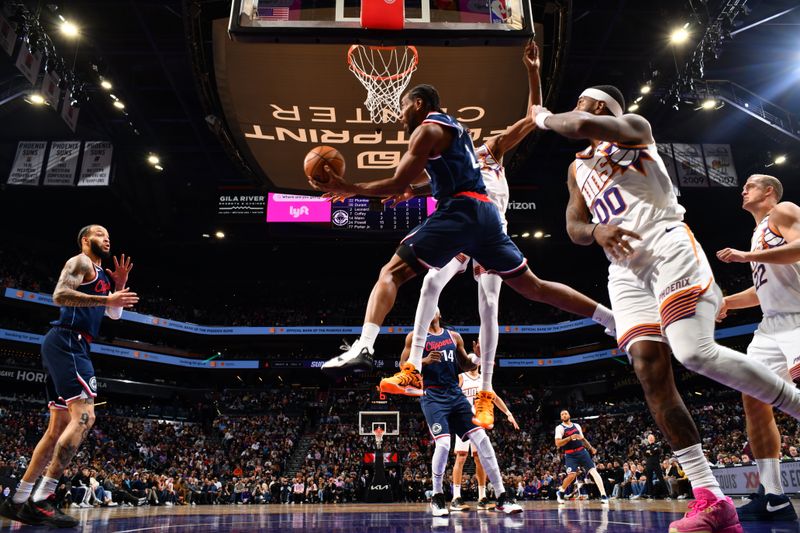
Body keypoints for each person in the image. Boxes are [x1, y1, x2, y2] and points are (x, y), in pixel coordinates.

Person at [532, 85, 800, 532]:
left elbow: (575, 124)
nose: (574, 111)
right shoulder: (576, 169)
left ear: (600, 108)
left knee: (692, 352)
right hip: (622, 270)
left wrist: (541, 116)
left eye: (581, 103)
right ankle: (711, 497)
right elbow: (574, 225)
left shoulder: (635, 130)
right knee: (649, 372)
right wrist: (596, 232)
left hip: (665, 244)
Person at [313, 82, 615, 430]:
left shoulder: (436, 132)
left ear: (419, 104)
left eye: (402, 106)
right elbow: (433, 177)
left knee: (394, 273)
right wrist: (415, 190)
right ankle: (610, 319)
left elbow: (398, 181)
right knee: (529, 287)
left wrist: (348, 189)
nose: (398, 114)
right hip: (484, 220)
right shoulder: (459, 136)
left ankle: (366, 346)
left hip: (462, 213)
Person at [378, 41, 592, 431]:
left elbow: (532, 116)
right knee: (429, 283)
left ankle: (486, 392)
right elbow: (417, 185)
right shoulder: (448, 164)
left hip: (491, 229)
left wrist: (532, 70)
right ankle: (411, 366)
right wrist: (404, 191)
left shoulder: (490, 150)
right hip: (461, 229)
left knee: (489, 304)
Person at [0, 225, 137, 527]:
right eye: (100, 234)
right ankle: (43, 498)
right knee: (86, 417)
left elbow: (112, 315)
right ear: (86, 240)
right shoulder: (80, 262)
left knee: (57, 428)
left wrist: (118, 288)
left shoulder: (101, 275)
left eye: (108, 234)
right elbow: (60, 296)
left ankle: (19, 499)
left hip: (69, 344)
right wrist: (106, 299)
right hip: (68, 341)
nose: (107, 237)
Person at [715, 173, 800, 522]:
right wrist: (726, 303)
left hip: (798, 319)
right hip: (770, 325)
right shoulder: (757, 233)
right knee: (753, 397)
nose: (743, 189)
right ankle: (773, 494)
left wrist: (744, 255)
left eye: (750, 185)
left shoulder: (784, 211)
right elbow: (761, 290)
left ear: (768, 191)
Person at [399, 309, 522, 516]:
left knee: (482, 439)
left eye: (435, 306)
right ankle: (437, 497)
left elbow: (465, 364)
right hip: (432, 396)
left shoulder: (453, 336)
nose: (432, 308)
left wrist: (478, 358)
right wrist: (425, 361)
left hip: (455, 395)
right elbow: (403, 366)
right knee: (444, 443)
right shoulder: (415, 337)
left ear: (439, 312)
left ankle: (502, 496)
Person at [449, 349, 519, 512]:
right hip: (463, 421)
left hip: (478, 423)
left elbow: (495, 398)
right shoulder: (461, 377)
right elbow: (452, 396)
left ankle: (482, 497)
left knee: (479, 459)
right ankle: (456, 497)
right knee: (460, 457)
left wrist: (508, 413)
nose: (473, 363)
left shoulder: (483, 381)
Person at [554, 410, 608, 505]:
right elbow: (557, 443)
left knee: (593, 472)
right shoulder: (559, 428)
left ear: (569, 415)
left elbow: (582, 439)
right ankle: (561, 491)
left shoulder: (577, 425)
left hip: (582, 452)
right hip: (570, 454)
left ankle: (603, 495)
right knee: (571, 476)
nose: (564, 415)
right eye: (562, 414)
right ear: (561, 417)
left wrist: (591, 447)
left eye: (565, 413)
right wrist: (570, 437)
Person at [642, 433, 666, 499]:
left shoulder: (657, 445)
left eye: (652, 438)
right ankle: (650, 495)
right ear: (648, 440)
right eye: (650, 438)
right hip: (649, 464)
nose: (651, 439)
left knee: (661, 478)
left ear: (654, 439)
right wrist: (651, 452)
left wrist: (650, 452)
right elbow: (644, 453)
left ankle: (666, 494)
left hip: (656, 463)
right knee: (649, 479)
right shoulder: (646, 447)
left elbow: (657, 451)